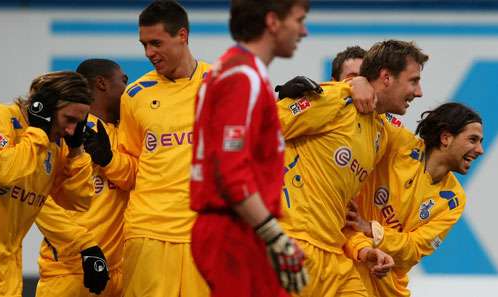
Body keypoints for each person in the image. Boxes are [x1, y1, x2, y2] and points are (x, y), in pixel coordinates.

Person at [275, 39, 429, 297]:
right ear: (386, 77)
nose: (419, 92)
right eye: (413, 80)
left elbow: (343, 206)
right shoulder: (336, 100)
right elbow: (259, 127)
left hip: (335, 254)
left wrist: (364, 249)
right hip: (294, 243)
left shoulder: (381, 135)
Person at [190, 1, 310, 296]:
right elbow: (231, 172)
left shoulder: (233, 69)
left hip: (240, 227)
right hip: (233, 230)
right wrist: (274, 234)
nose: (304, 31)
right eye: (299, 19)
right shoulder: (243, 77)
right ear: (272, 21)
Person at [91, 1, 210, 296]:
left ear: (182, 35)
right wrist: (107, 159)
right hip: (149, 233)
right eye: (144, 44)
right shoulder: (135, 96)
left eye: (156, 43)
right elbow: (130, 171)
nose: (148, 53)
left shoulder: (223, 84)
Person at [344, 102, 484, 297]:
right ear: (446, 138)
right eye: (473, 140)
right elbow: (366, 111)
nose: (480, 150)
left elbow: (413, 250)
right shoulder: (399, 143)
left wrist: (371, 229)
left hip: (387, 286)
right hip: (346, 261)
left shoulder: (455, 199)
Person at [0, 71, 94, 297]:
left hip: (5, 274)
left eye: (79, 123)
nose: (72, 130)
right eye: (69, 119)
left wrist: (76, 152)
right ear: (43, 108)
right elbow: (4, 172)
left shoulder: (54, 146)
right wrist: (37, 132)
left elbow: (79, 200)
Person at [34, 59, 129, 297]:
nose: (128, 91)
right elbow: (38, 199)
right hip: (71, 272)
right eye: (124, 81)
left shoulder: (125, 131)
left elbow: (137, 177)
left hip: (117, 274)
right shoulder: (64, 132)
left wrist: (108, 160)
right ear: (101, 84)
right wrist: (85, 246)